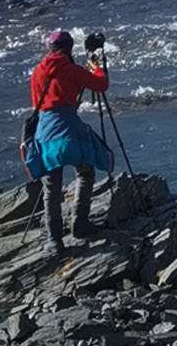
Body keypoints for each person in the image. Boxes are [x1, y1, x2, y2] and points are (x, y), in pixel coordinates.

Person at [26, 28, 114, 261]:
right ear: (69, 49)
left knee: (51, 189)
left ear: (49, 49)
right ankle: (80, 223)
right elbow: (101, 85)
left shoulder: (37, 73)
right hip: (71, 133)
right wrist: (95, 67)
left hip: (46, 133)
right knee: (85, 173)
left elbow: (38, 104)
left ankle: (54, 241)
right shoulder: (72, 70)